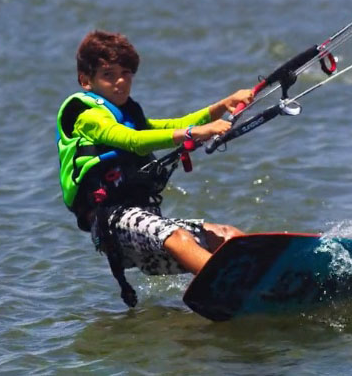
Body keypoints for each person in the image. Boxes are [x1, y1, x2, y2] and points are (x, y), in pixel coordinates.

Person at [56, 30, 253, 307]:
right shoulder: (86, 116)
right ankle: (236, 292)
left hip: (143, 219)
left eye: (126, 73)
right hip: (111, 223)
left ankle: (270, 280)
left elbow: (175, 124)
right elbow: (133, 141)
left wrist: (222, 106)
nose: (121, 81)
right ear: (85, 81)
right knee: (178, 238)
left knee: (227, 236)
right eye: (108, 74)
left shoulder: (129, 113)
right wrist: (195, 133)